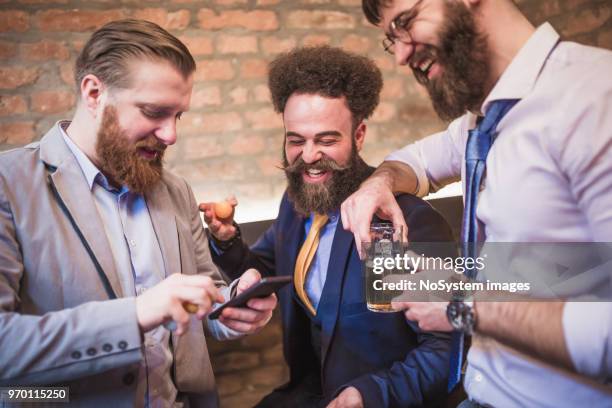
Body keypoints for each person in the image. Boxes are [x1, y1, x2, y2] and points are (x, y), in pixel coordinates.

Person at [340, 0, 612, 406]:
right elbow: (412, 161)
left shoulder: (593, 96)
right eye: (389, 40)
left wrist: (461, 304)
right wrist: (376, 185)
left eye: (405, 22)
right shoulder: (480, 123)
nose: (399, 56)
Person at [0, 19, 277, 406]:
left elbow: (203, 297)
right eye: (154, 112)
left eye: (178, 115)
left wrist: (231, 307)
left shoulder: (176, 190)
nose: (171, 135)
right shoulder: (8, 185)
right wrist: (136, 314)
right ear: (94, 92)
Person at [201, 45, 455, 408]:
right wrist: (227, 242)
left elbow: (448, 350)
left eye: (326, 140)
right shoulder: (294, 205)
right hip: (309, 391)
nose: (308, 156)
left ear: (360, 134)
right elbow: (266, 270)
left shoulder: (406, 222)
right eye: (296, 140)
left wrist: (373, 394)